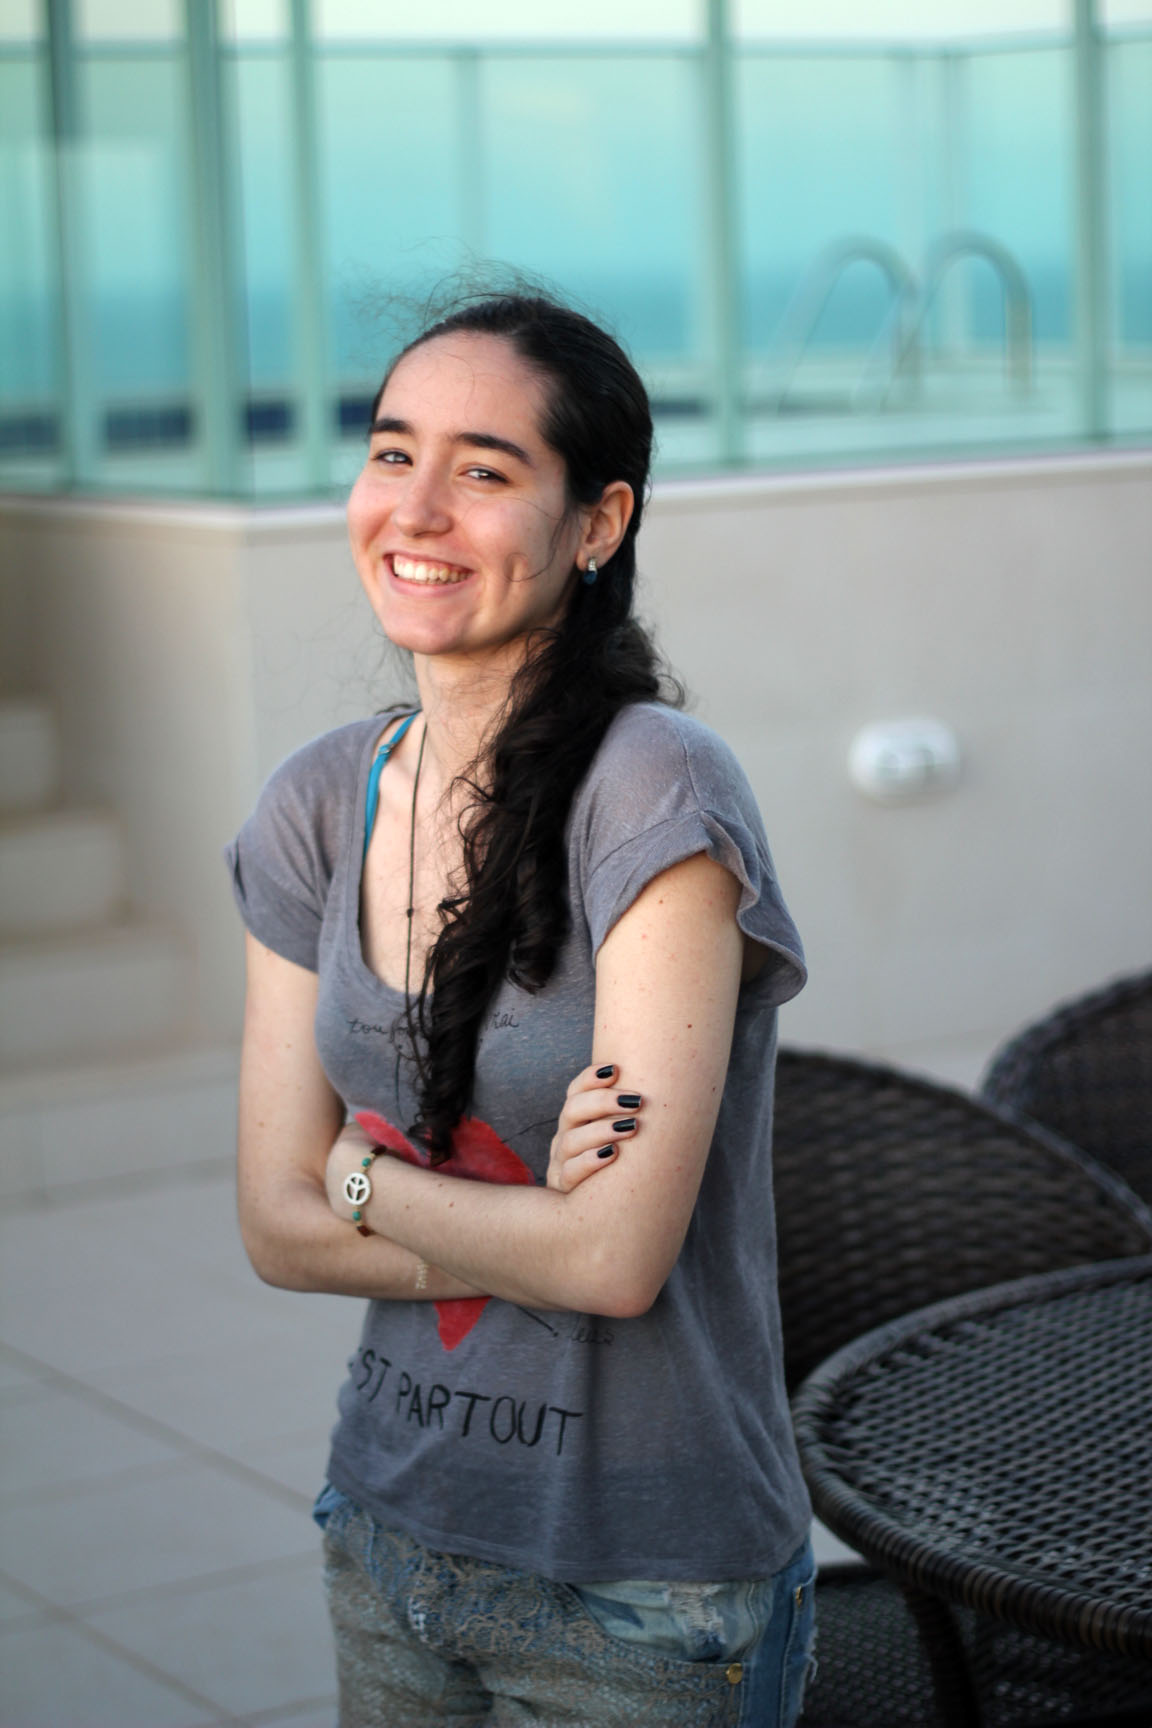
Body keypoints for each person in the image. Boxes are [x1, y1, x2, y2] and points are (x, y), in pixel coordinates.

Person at [227, 291, 815, 1727]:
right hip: (388, 1528)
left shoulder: (654, 788)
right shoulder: (317, 804)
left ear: (597, 522)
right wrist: (525, 1223)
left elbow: (613, 1261)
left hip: (645, 1590)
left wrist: (363, 1176)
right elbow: (270, 1226)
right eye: (392, 453)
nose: (415, 509)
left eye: (484, 470)